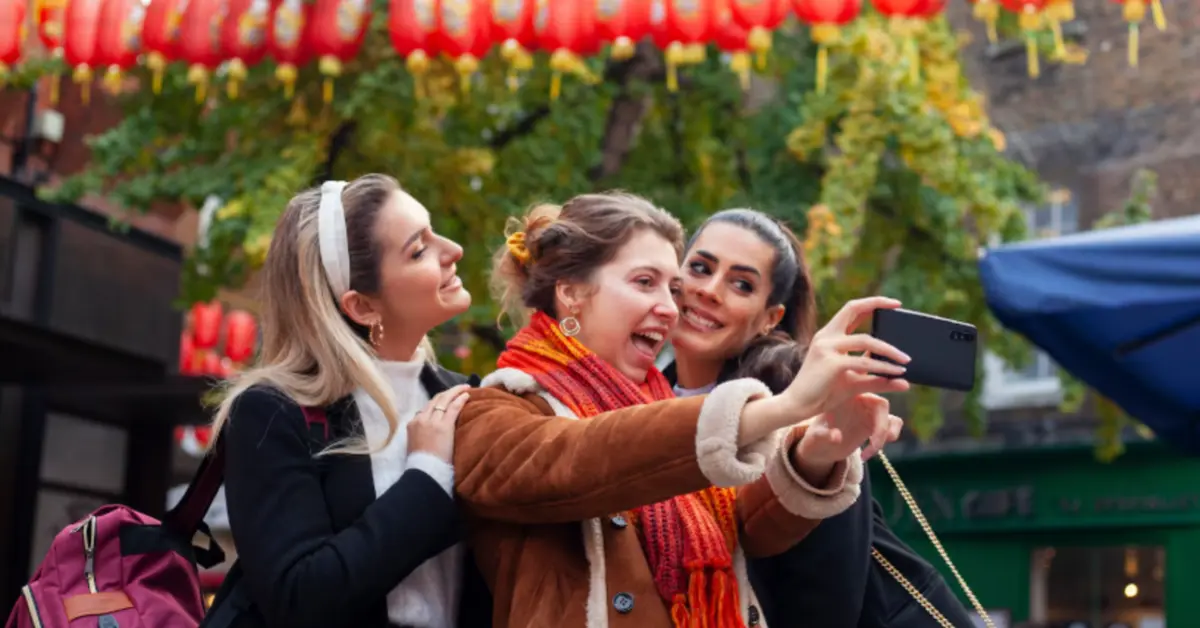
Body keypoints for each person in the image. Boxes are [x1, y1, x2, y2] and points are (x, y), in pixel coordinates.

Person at [452, 192, 913, 628]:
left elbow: (744, 530)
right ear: (571, 293)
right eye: (645, 283)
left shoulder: (660, 405)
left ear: (771, 315)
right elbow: (586, 455)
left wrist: (814, 452)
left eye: (673, 288)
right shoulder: (490, 410)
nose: (673, 307)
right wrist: (785, 408)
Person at [666, 208, 976, 628]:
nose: (709, 290)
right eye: (700, 268)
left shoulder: (798, 393)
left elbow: (826, 594)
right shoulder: (643, 402)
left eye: (742, 284)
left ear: (769, 318)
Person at [206, 174, 491, 628]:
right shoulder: (273, 412)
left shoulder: (470, 397)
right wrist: (429, 475)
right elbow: (299, 596)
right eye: (419, 250)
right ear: (362, 307)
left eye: (434, 231)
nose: (453, 249)